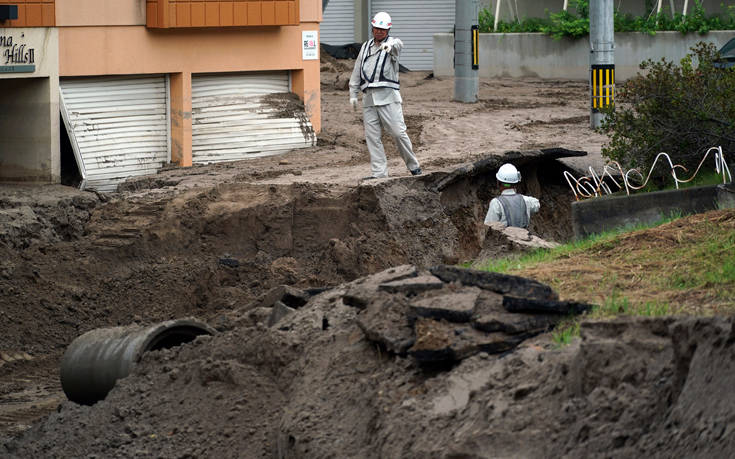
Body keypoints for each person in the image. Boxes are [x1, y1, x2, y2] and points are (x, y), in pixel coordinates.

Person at [349, 11, 422, 180]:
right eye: (376, 28)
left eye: (382, 29)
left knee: (398, 132)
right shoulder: (366, 47)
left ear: (388, 30)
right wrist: (353, 93)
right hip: (369, 99)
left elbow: (398, 44)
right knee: (372, 137)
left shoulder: (392, 46)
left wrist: (390, 47)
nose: (379, 32)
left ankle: (414, 166)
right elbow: (356, 71)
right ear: (372, 28)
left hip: (388, 97)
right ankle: (379, 173)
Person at [484, 163, 540, 228]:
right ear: (516, 184)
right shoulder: (526, 200)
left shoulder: (496, 203)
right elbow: (537, 204)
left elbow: (488, 225)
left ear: (498, 183)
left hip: (505, 238)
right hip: (523, 237)